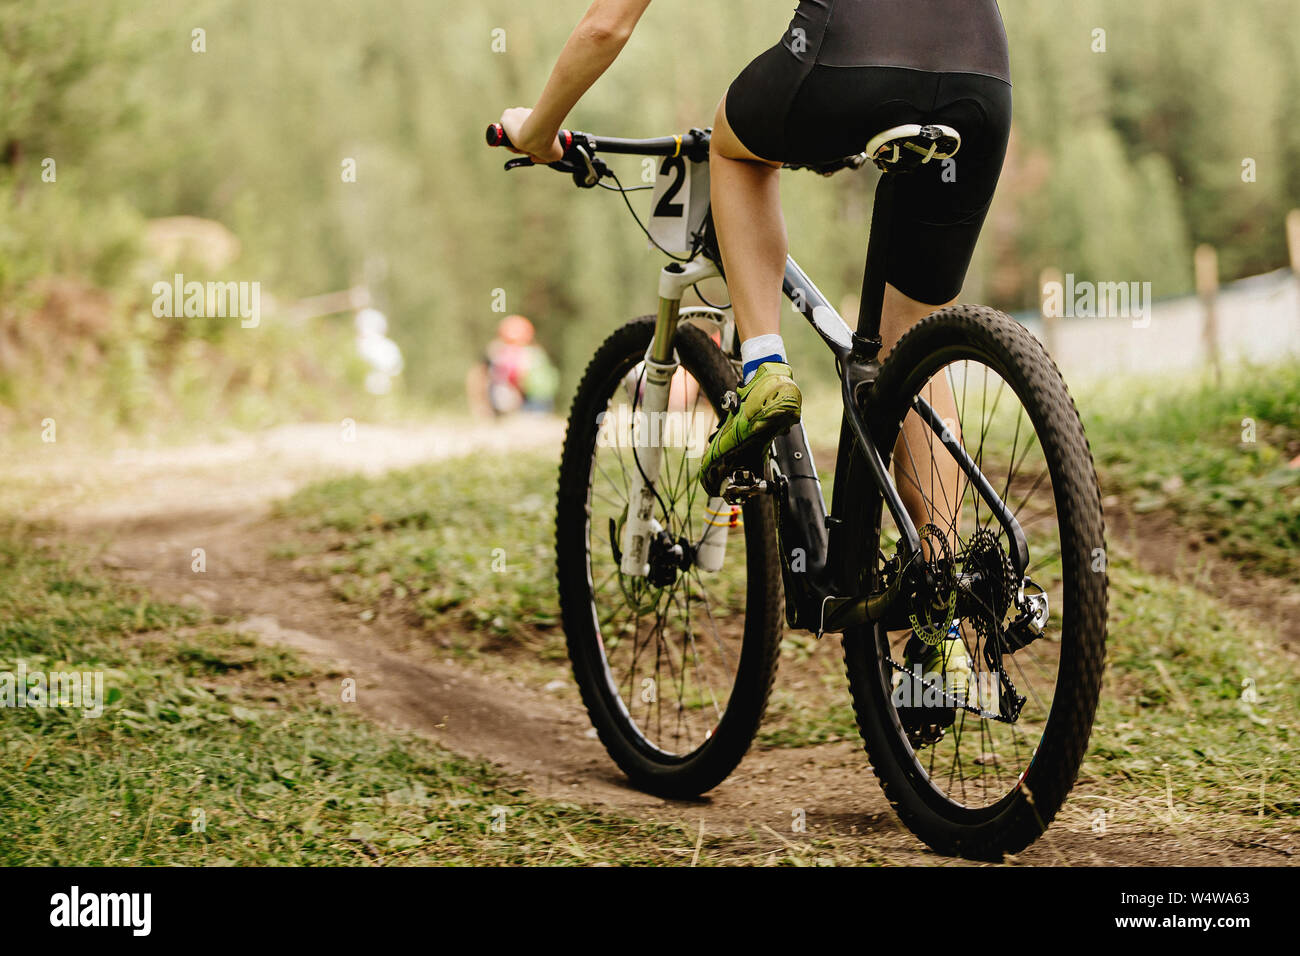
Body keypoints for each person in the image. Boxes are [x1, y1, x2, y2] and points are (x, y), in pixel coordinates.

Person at [497, 0, 1012, 695]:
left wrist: (539, 128)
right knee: (909, 338)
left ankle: (765, 365)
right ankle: (940, 615)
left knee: (734, 148)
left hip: (851, 58)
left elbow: (604, 26)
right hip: (983, 78)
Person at [470, 314, 560, 416]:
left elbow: (478, 377)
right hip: (531, 403)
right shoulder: (536, 353)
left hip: (522, 402)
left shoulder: (499, 353)